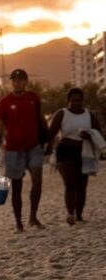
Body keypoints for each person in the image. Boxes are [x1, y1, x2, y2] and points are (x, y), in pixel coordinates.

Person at [0, 68, 48, 233]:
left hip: (34, 146)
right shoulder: (4, 102)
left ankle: (33, 217)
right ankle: (18, 223)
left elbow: (41, 119)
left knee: (37, 181)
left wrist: (49, 139)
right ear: (11, 83)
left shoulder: (33, 98)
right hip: (13, 150)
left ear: (26, 82)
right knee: (17, 187)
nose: (17, 83)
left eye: (21, 80)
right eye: (14, 80)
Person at [47, 87, 103, 225]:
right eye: (73, 101)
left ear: (82, 101)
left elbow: (98, 133)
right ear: (68, 101)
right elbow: (51, 132)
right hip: (65, 151)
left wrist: (88, 134)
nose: (76, 103)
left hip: (83, 151)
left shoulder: (89, 115)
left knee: (82, 185)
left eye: (79, 100)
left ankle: (79, 215)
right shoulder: (62, 113)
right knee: (70, 183)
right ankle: (70, 214)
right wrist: (48, 148)